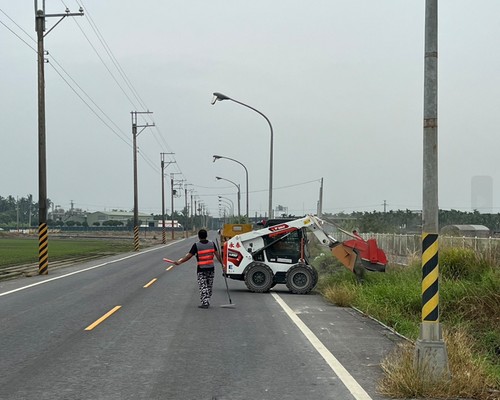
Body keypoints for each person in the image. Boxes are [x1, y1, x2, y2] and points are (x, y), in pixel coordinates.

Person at [173, 229, 222, 309]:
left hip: (201, 269)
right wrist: (222, 264)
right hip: (211, 268)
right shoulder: (212, 244)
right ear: (206, 235)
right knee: (209, 286)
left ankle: (205, 302)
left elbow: (189, 256)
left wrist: (180, 262)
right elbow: (218, 255)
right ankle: (207, 299)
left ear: (198, 236)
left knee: (203, 286)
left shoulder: (196, 245)